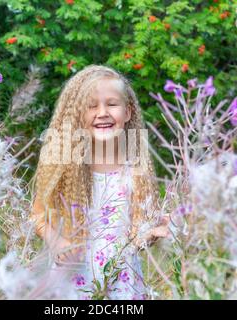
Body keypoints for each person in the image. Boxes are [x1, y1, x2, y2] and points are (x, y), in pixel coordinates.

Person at [29, 65, 170, 300]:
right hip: (74, 284)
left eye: (112, 104)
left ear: (128, 112)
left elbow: (136, 234)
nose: (102, 112)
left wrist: (149, 234)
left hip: (123, 285)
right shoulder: (66, 167)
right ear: (77, 114)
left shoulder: (135, 169)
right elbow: (38, 216)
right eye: (91, 106)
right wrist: (58, 242)